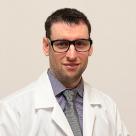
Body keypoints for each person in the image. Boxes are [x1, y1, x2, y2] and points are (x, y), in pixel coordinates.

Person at [0, 8, 129, 136]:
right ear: (46, 46)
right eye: (62, 44)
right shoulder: (12, 111)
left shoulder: (108, 108)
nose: (72, 55)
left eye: (80, 44)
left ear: (90, 48)